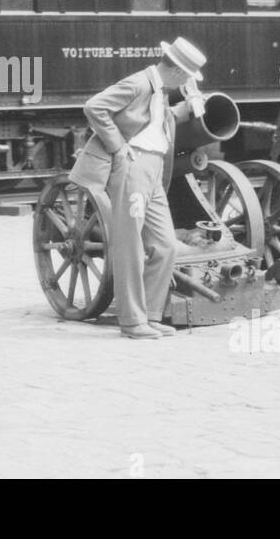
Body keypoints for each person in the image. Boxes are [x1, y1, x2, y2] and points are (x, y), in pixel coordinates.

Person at [69, 37, 208, 340]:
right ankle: (132, 321)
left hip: (153, 171)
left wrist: (192, 104)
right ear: (178, 71)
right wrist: (117, 146)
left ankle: (150, 315)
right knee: (129, 244)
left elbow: (155, 123)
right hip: (133, 168)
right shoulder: (139, 84)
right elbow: (94, 107)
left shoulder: (160, 90)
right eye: (187, 76)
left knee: (166, 245)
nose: (187, 81)